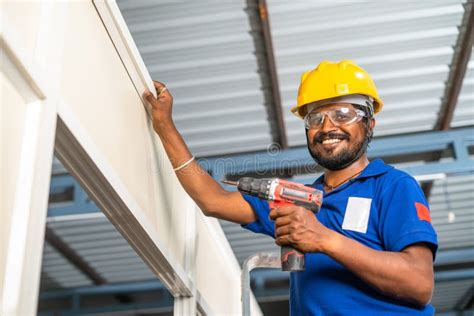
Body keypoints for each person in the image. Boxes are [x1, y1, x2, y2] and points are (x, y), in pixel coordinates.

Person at [144, 60, 438, 315]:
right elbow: (212, 199)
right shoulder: (297, 203)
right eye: (315, 118)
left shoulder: (392, 187)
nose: (326, 127)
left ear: (369, 123)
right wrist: (165, 126)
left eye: (343, 114)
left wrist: (323, 238)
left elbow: (419, 283)